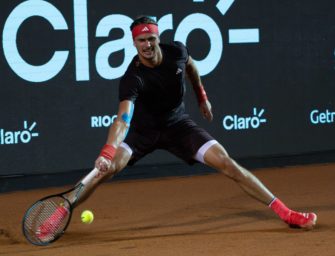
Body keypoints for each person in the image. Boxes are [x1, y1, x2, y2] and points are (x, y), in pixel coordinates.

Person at [40, 16, 317, 237]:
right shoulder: (132, 77)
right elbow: (123, 119)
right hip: (143, 132)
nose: (147, 45)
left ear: (158, 38)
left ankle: (286, 213)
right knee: (104, 171)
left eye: (151, 38)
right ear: (134, 43)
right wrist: (108, 151)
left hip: (178, 125)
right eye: (141, 41)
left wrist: (203, 98)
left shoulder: (177, 52)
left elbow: (193, 70)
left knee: (227, 163)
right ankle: (59, 215)